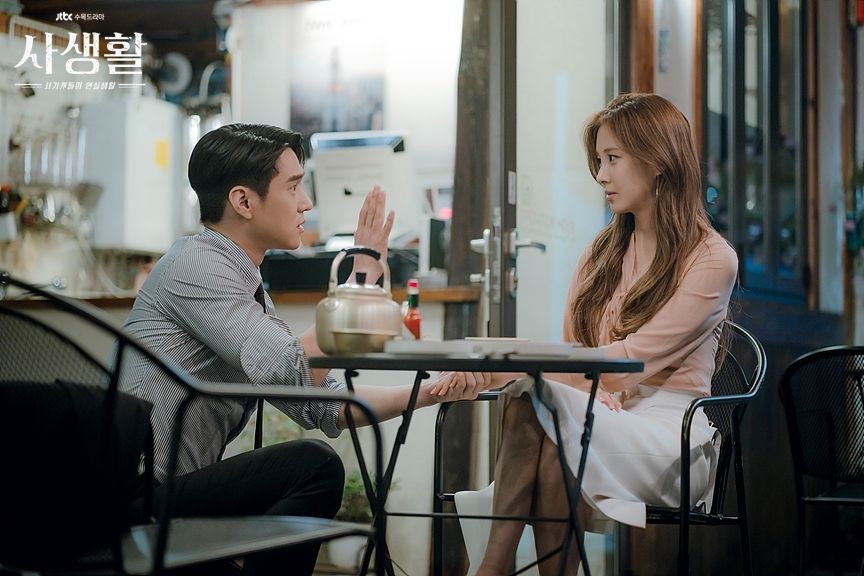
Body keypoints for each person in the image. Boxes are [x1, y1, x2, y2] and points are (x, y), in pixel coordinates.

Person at [120, 123, 488, 576]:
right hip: (130, 499)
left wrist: (430, 392)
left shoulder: (242, 282)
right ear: (243, 201)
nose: (306, 202)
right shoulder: (196, 265)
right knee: (314, 466)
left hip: (168, 496)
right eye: (293, 186)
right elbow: (292, 371)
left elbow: (319, 404)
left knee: (312, 465)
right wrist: (359, 281)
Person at [470, 93, 739, 575]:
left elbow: (629, 362)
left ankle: (490, 569)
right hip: (600, 411)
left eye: (613, 158)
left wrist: (502, 370)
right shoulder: (600, 254)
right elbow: (577, 354)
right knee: (544, 415)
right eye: (598, 160)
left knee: (537, 402)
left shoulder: (712, 258)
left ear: (658, 160)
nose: (600, 175)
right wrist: (582, 390)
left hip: (671, 436)